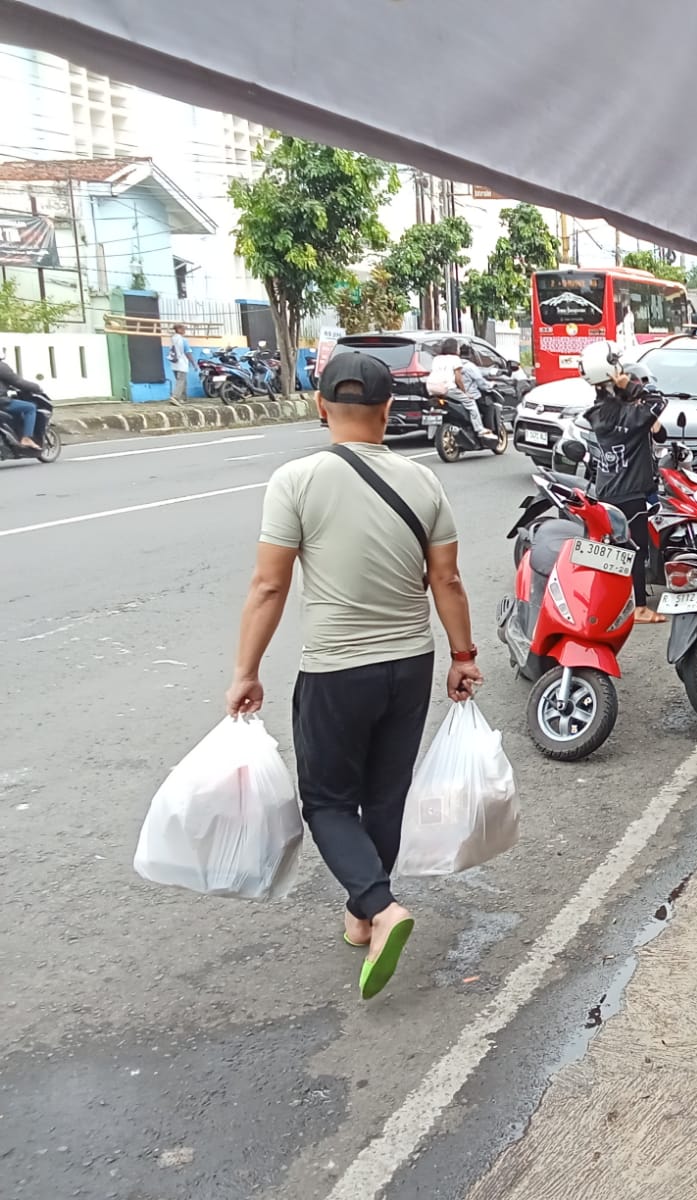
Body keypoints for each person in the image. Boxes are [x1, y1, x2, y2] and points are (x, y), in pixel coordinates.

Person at [225, 352, 483, 1000]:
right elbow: (447, 579)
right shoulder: (423, 482)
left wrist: (246, 671)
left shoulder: (295, 480)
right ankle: (362, 914)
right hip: (410, 664)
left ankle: (381, 905)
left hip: (337, 671)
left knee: (328, 802)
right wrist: (463, 655)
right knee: (385, 796)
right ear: (388, 410)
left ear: (320, 406)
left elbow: (268, 585)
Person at [582, 341, 667, 624]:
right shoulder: (628, 415)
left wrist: (625, 393)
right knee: (635, 550)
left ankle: (609, 603)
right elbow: (659, 402)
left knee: (615, 550)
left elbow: (659, 432)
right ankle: (639, 607)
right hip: (629, 491)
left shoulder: (601, 412)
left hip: (608, 488)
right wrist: (630, 387)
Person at [426, 338, 488, 439]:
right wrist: (465, 392)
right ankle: (479, 429)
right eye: (458, 348)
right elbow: (458, 379)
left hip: (431, 387)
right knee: (470, 402)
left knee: (434, 409)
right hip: (446, 387)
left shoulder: (437, 359)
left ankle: (431, 433)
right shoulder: (455, 359)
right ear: (454, 349)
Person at [0, 357, 43, 451]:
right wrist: (37, 387)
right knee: (30, 408)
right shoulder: (2, 367)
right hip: (2, 402)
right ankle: (26, 438)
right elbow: (18, 382)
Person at [170, 323, 197, 403]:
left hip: (174, 363)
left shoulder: (172, 339)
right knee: (181, 381)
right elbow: (188, 352)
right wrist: (193, 363)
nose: (184, 331)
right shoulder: (183, 340)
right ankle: (175, 397)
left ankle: (183, 398)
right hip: (182, 363)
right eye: (183, 329)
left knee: (183, 381)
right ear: (179, 330)